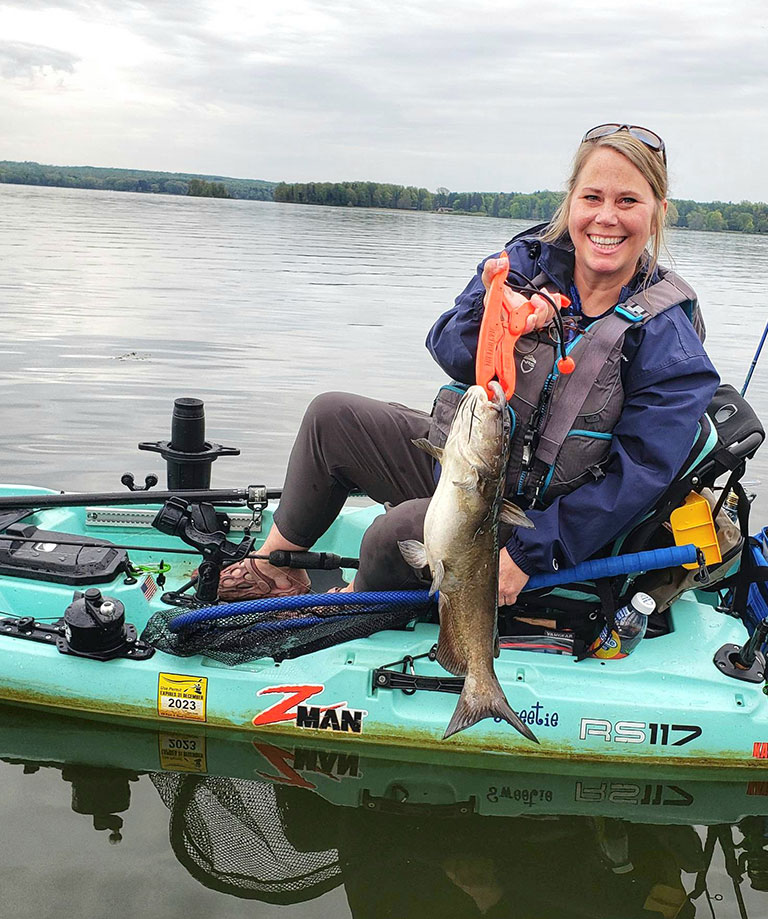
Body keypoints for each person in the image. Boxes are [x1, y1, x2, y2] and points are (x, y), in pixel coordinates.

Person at [215, 123, 720, 603]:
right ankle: (275, 567)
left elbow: (638, 476)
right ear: (571, 202)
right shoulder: (526, 262)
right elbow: (447, 346)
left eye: (627, 201)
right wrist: (505, 321)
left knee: (395, 534)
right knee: (331, 418)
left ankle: (357, 608)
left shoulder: (669, 340)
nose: (606, 217)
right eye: (592, 197)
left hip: (538, 523)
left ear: (656, 212)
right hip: (470, 468)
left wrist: (529, 552)